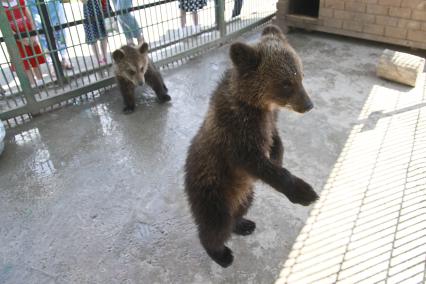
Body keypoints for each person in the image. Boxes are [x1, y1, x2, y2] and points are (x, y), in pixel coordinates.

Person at [1, 0, 46, 86]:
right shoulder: (1, 7)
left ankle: (41, 81)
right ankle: (32, 84)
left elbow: (30, 18)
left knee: (34, 59)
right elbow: (5, 27)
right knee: (23, 62)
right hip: (15, 39)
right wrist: (21, 39)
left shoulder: (20, 1)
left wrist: (33, 35)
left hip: (29, 34)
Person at [26, 0, 72, 70]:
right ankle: (51, 63)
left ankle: (64, 56)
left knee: (60, 32)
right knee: (42, 35)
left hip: (54, 5)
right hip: (34, 7)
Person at [81, 0, 108, 65]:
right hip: (89, 10)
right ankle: (99, 59)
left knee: (103, 34)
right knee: (93, 35)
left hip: (101, 6)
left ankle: (105, 57)